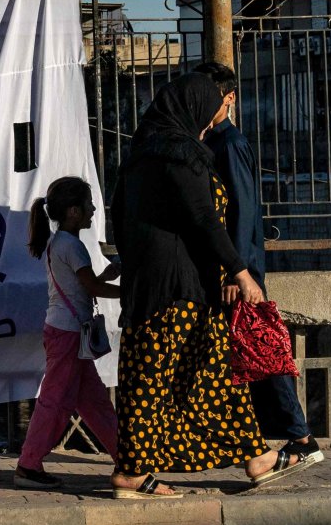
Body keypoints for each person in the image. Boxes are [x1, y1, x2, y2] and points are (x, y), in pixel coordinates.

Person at [109, 73, 309, 498]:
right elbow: (206, 220)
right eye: (208, 107)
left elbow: (120, 221)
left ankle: (255, 458)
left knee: (206, 376)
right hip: (177, 290)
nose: (211, 117)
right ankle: (132, 472)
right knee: (158, 379)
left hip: (164, 287)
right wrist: (241, 272)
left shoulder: (142, 155)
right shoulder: (180, 156)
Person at [196, 60, 322, 474]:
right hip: (235, 267)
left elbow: (243, 212)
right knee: (250, 353)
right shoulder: (214, 141)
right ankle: (288, 439)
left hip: (237, 271)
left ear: (229, 98)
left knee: (258, 351)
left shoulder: (228, 144)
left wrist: (239, 271)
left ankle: (300, 437)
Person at [13, 176, 121, 489]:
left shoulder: (61, 244)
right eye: (88, 204)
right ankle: (29, 464)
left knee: (94, 402)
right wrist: (127, 290)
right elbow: (92, 287)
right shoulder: (72, 246)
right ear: (73, 211)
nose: (92, 209)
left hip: (67, 333)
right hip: (69, 335)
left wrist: (105, 277)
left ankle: (126, 458)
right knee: (54, 401)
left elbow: (81, 287)